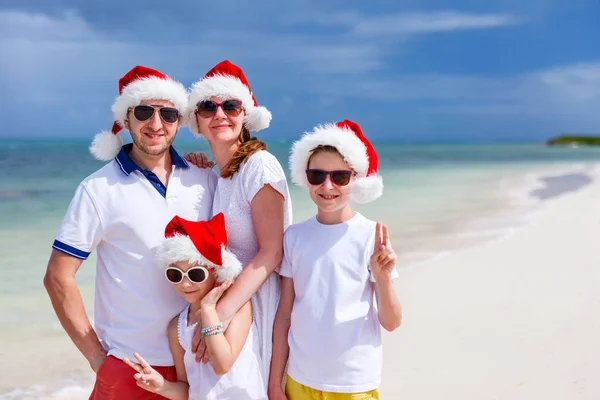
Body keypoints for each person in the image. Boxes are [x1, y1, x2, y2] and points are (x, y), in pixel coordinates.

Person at [43, 66, 217, 399]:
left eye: (167, 114)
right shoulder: (97, 189)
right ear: (126, 119)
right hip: (131, 369)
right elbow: (57, 278)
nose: (155, 124)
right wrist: (98, 359)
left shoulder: (204, 179)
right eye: (143, 112)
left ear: (179, 121)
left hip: (199, 365)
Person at [269, 120, 402, 399]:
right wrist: (274, 382)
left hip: (354, 383)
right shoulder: (294, 236)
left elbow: (391, 322)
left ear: (357, 179)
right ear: (305, 177)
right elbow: (284, 316)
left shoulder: (371, 237)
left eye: (340, 177)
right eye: (317, 175)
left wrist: (384, 276)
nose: (327, 185)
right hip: (299, 377)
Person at [184, 60, 292, 386]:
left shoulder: (259, 166)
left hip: (258, 303)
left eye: (230, 105)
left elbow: (272, 252)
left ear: (245, 115)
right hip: (233, 306)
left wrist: (217, 316)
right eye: (208, 107)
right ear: (197, 122)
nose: (220, 114)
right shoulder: (221, 176)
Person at [124, 213, 267, 400]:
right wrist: (163, 387)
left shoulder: (239, 309)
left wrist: (208, 311)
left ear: (216, 272)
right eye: (175, 274)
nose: (185, 284)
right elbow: (188, 389)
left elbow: (222, 364)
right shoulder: (176, 328)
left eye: (196, 274)